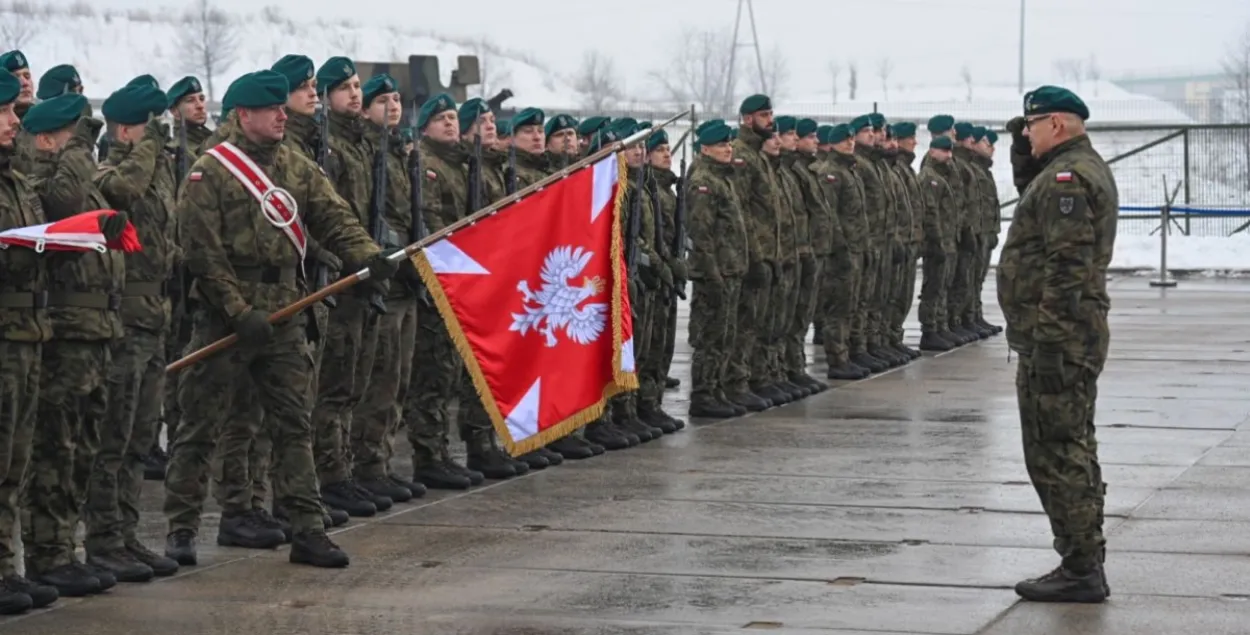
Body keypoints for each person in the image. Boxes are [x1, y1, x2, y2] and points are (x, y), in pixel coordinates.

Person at [166, 69, 401, 569]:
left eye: (281, 107)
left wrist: (367, 254)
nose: (281, 116)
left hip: (285, 311)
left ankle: (307, 529)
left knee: (294, 424)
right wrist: (235, 310)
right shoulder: (210, 172)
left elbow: (334, 217)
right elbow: (202, 254)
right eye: (270, 109)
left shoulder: (295, 166)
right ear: (242, 114)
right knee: (200, 425)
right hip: (225, 318)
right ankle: (181, 528)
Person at [999, 85, 1117, 603]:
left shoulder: (1069, 179)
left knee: (1057, 450)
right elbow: (1037, 202)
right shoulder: (1068, 171)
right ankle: (1081, 557)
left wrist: (1047, 341)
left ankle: (1081, 566)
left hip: (1060, 338)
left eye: (1032, 125)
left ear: (1059, 124)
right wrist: (1023, 156)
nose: (1025, 131)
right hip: (1067, 335)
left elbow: (1067, 267)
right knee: (1067, 444)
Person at [18, 92, 129, 596]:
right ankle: (48, 552)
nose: (83, 147)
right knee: (53, 450)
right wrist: (80, 149)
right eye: (71, 137)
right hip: (64, 336)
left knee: (82, 449)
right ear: (46, 140)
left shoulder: (78, 179)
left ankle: (66, 549)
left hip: (95, 333)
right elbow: (60, 205)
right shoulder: (43, 181)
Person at [84, 81, 183, 581]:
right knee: (113, 436)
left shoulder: (158, 169)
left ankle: (125, 535)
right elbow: (120, 195)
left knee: (142, 435)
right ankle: (101, 540)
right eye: (150, 126)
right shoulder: (107, 170)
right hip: (124, 322)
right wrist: (144, 149)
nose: (160, 137)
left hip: (154, 318)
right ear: (125, 128)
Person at [0, 68, 61, 616]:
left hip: (24, 336)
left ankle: (6, 569)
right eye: (2, 113)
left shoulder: (14, 180)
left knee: (13, 463)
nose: (13, 121)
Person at [685, 121, 748, 419]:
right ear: (705, 149)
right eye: (722, 145)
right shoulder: (704, 181)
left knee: (725, 335)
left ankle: (717, 388)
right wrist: (712, 275)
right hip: (714, 273)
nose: (728, 149)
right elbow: (701, 234)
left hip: (730, 269)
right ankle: (703, 393)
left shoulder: (724, 178)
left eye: (729, 144)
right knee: (710, 337)